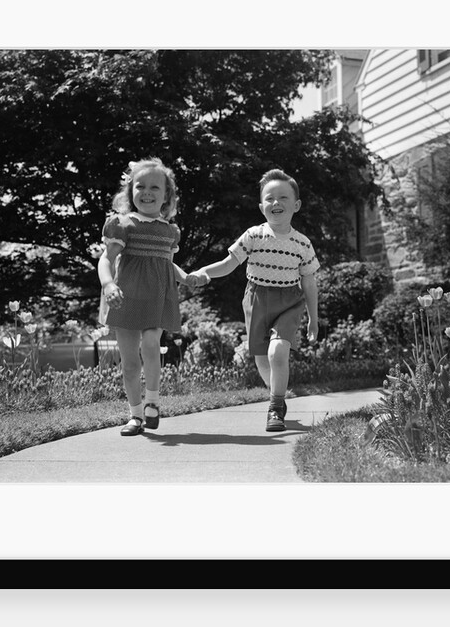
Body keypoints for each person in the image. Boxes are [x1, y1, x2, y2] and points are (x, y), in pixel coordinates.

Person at [186, 168, 319, 432]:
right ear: (261, 206)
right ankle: (276, 393)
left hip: (289, 301)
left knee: (277, 351)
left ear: (296, 205)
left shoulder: (302, 244)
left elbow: (309, 282)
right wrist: (204, 273)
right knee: (261, 358)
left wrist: (314, 318)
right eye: (269, 198)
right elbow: (227, 264)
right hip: (256, 298)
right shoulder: (253, 236)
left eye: (283, 197)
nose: (276, 203)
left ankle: (276, 407)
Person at [97, 157, 206, 436]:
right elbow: (106, 260)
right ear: (130, 191)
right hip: (127, 298)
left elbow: (166, 262)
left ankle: (153, 403)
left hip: (158, 296)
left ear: (167, 195)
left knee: (150, 344)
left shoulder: (170, 231)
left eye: (154, 188)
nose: (146, 192)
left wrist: (186, 277)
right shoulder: (123, 224)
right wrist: (109, 285)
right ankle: (135, 415)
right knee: (130, 362)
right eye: (140, 186)